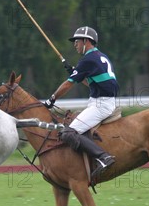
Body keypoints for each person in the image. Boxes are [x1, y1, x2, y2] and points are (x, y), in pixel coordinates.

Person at [43, 26, 117, 178]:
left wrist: (52, 99)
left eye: (77, 41)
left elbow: (68, 85)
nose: (75, 44)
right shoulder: (99, 56)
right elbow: (91, 84)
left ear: (86, 41)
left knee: (68, 132)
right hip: (102, 101)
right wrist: (74, 73)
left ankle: (103, 157)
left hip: (101, 105)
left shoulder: (87, 60)